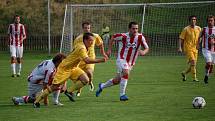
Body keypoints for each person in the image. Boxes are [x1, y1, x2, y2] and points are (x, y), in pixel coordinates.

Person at [33, 33, 107, 108]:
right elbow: (87, 60)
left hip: (73, 68)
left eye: (93, 40)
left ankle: (68, 91)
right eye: (90, 40)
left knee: (85, 80)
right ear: (85, 40)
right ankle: (36, 102)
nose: (92, 42)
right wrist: (101, 60)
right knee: (54, 87)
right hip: (64, 68)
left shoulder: (84, 46)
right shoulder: (82, 48)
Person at [95, 22, 149, 101]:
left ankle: (102, 86)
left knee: (117, 80)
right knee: (126, 73)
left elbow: (147, 48)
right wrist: (109, 50)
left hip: (131, 62)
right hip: (121, 59)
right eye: (133, 28)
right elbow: (113, 37)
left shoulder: (140, 37)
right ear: (129, 29)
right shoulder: (123, 36)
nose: (135, 30)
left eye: (136, 28)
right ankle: (122, 95)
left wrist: (143, 52)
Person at [71, 22, 108, 97]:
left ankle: (90, 82)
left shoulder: (94, 36)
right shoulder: (78, 38)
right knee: (81, 77)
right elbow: (74, 49)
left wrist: (103, 53)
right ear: (82, 28)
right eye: (85, 28)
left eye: (88, 28)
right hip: (80, 60)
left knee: (89, 73)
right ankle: (79, 90)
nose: (87, 29)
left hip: (91, 59)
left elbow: (100, 44)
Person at [178, 15, 201, 82]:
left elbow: (200, 37)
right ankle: (194, 78)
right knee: (193, 62)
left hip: (195, 49)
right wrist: (179, 47)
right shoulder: (186, 29)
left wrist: (199, 44)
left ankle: (184, 73)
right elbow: (181, 38)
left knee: (193, 64)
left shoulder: (199, 28)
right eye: (192, 19)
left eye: (195, 19)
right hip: (188, 48)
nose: (193, 21)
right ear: (189, 21)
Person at [200, 15, 215, 84]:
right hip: (206, 49)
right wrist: (197, 44)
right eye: (209, 20)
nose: (210, 22)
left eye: (211, 20)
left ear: (214, 21)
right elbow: (199, 37)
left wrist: (214, 42)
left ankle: (207, 75)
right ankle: (206, 75)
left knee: (211, 65)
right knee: (209, 63)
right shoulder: (204, 29)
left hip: (214, 50)